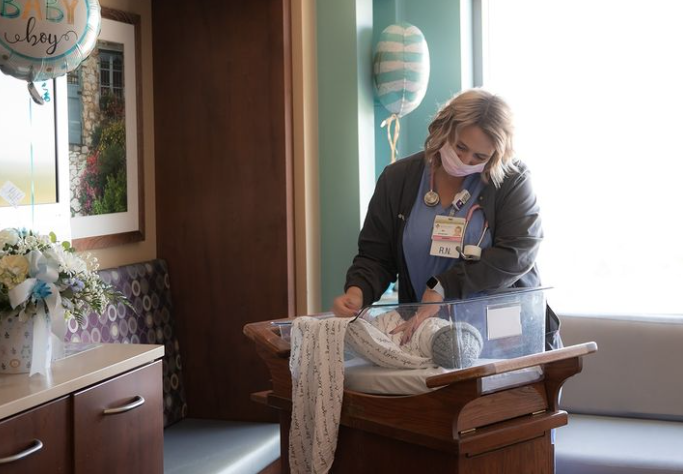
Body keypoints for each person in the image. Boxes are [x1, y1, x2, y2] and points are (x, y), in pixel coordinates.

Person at [332, 88, 561, 350]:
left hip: (503, 335)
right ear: (443, 129)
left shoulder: (511, 180)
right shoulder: (399, 179)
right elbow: (376, 256)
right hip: (426, 332)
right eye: (460, 147)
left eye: (480, 156)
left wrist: (443, 286)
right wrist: (358, 291)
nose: (465, 160)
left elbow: (517, 252)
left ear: (496, 156)